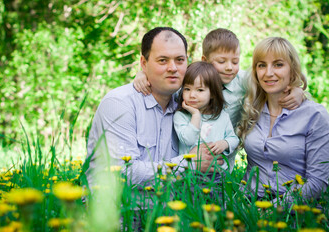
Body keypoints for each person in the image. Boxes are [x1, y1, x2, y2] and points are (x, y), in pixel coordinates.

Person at [134, 28, 305, 172]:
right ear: (205, 61)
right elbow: (169, 79)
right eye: (222, 61)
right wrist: (142, 74)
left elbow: (270, 83)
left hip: (222, 160)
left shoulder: (244, 82)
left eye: (235, 61)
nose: (229, 67)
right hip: (189, 157)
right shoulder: (194, 81)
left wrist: (297, 90)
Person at [85, 27, 218, 187]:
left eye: (179, 60)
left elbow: (232, 83)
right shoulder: (119, 104)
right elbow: (124, 173)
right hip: (119, 208)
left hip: (168, 206)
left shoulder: (187, 103)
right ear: (143, 63)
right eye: (163, 60)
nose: (173, 68)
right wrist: (188, 164)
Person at [237, 37, 329, 203]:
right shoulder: (251, 108)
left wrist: (273, 208)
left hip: (296, 211)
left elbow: (319, 182)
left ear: (292, 70)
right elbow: (220, 75)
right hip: (248, 206)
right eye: (262, 65)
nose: (268, 72)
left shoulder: (315, 116)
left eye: (278, 64)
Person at [173, 61, 239, 179]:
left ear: (212, 93)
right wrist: (195, 115)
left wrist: (224, 143)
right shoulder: (181, 116)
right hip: (189, 173)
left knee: (217, 197)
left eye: (200, 90)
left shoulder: (222, 116)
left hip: (217, 174)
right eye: (187, 89)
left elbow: (234, 139)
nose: (192, 95)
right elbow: (188, 140)